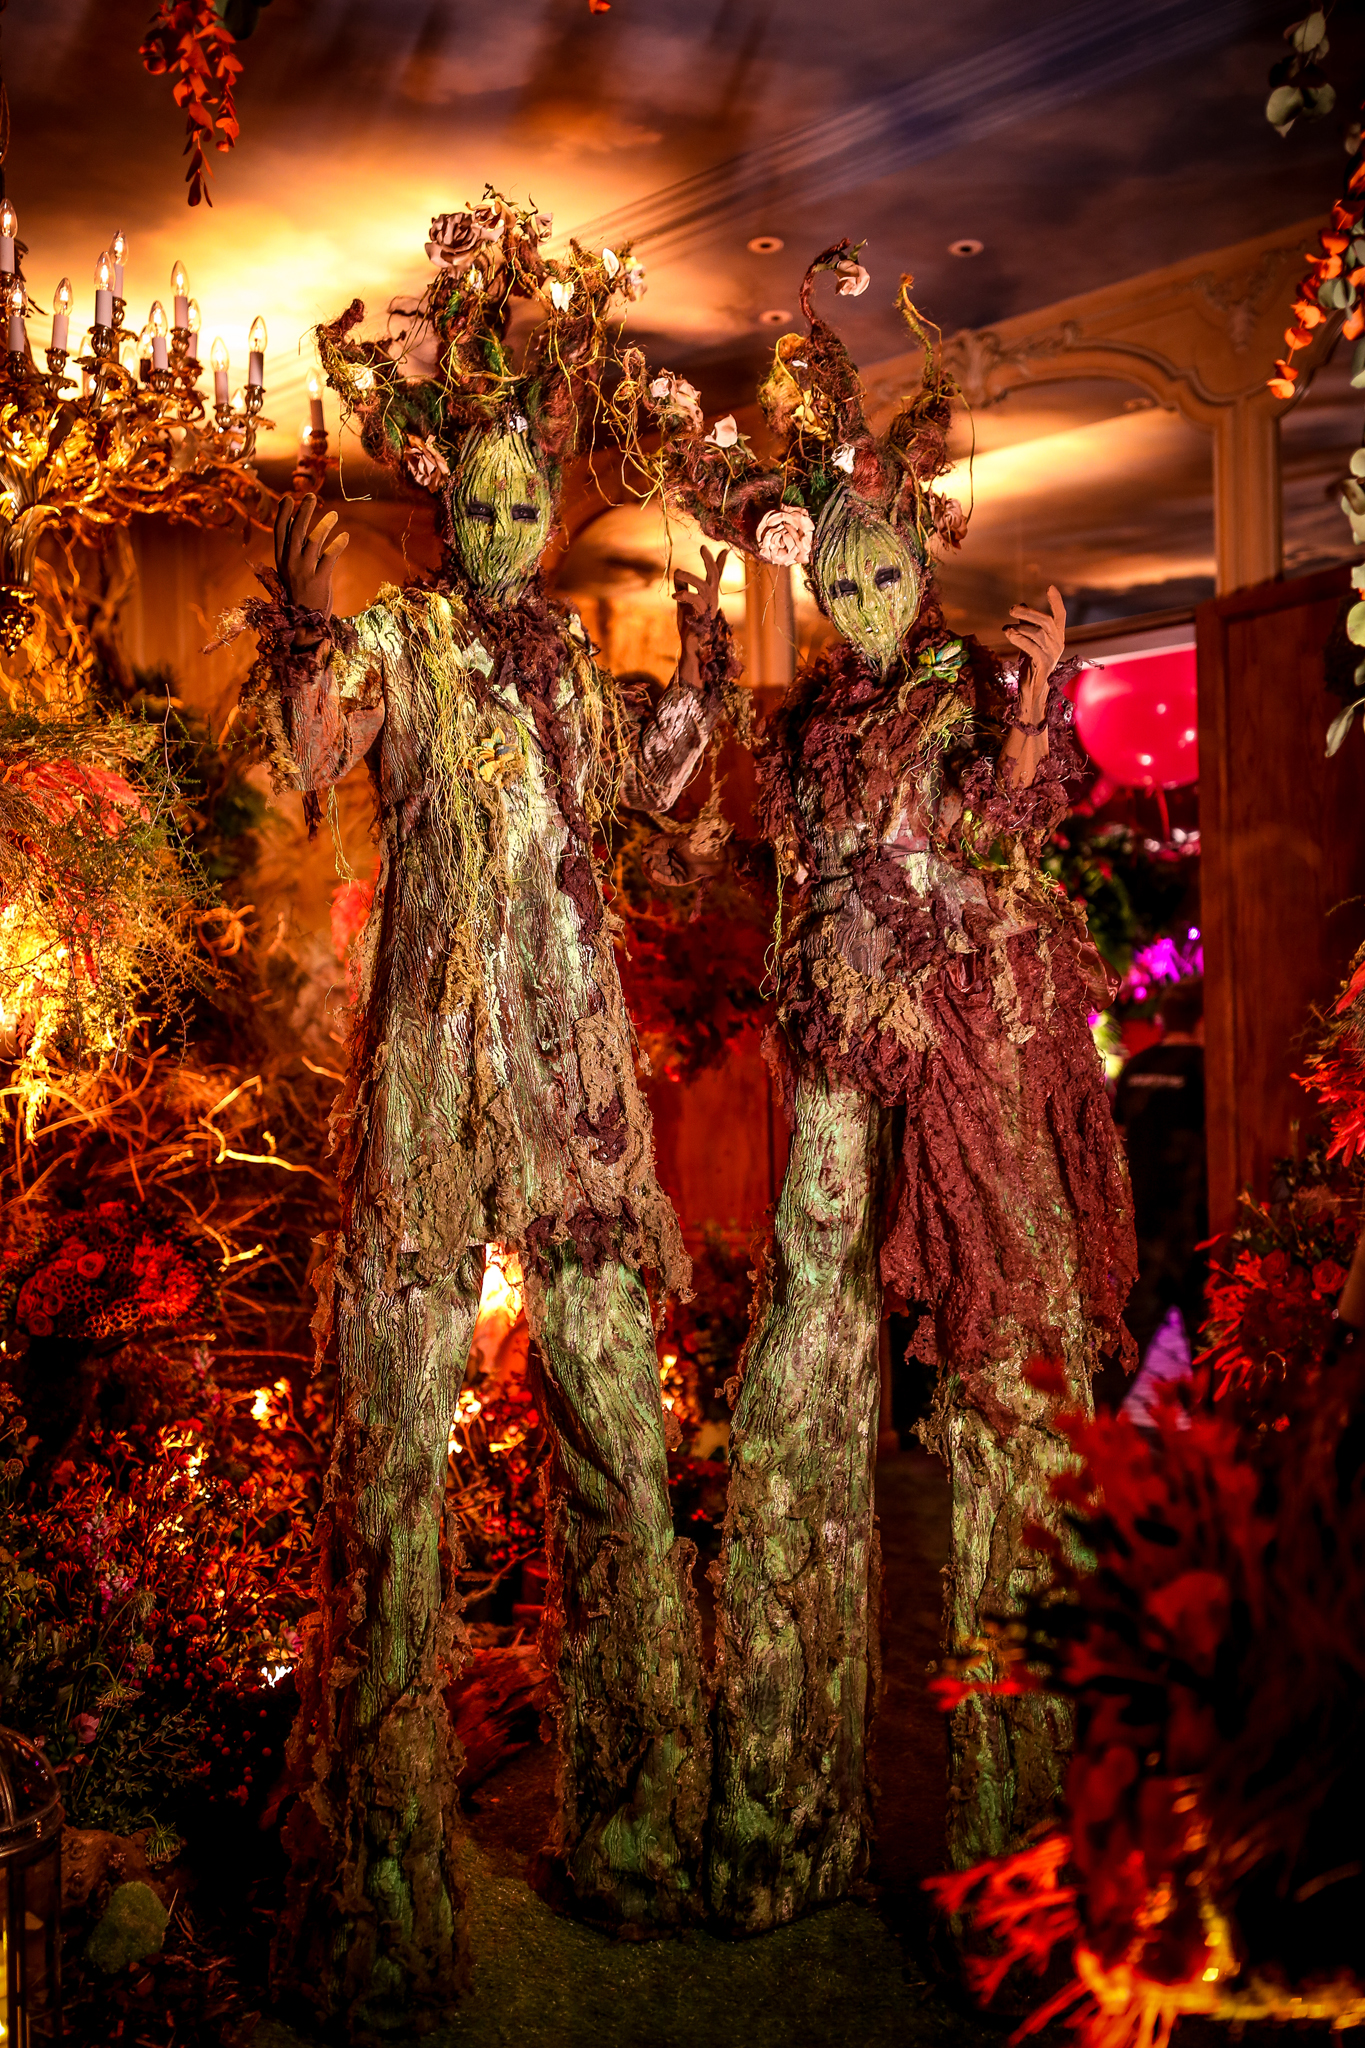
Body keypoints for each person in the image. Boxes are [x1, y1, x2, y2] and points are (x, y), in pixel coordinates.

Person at [233, 198, 745, 2029]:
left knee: (615, 1419)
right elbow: (308, 742)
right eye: (494, 499)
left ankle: (640, 1814)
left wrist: (699, 667)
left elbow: (668, 811)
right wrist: (303, 624)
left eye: (538, 499)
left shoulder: (565, 662)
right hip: (442, 1067)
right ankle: (380, 1868)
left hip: (582, 1078)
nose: (518, 527)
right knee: (397, 1451)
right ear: (450, 499)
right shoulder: (413, 642)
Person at [643, 247, 1135, 1926]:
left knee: (1009, 1426)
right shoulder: (799, 725)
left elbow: (1012, 815)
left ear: (914, 561)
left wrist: (1031, 711)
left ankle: (1032, 1853)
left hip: (965, 1102)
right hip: (836, 1110)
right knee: (792, 1414)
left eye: (877, 572)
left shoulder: (948, 692)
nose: (857, 602)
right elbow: (743, 865)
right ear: (809, 577)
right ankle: (780, 1806)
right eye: (831, 578)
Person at [1114, 975, 1206, 1427]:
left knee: (1127, 1342)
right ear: (1205, 1020)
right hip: (1196, 1226)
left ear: (1161, 1020)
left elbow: (1116, 1137)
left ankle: (1095, 1434)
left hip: (1142, 1224)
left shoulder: (1136, 1068)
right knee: (1208, 1342)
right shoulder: (1209, 1070)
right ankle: (1211, 1439)